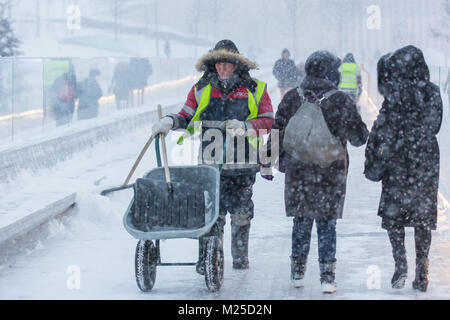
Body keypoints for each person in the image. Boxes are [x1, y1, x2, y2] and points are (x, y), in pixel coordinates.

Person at [150, 39, 274, 272]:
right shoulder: (201, 88)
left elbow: (268, 120)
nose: (223, 69)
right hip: (210, 165)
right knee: (211, 216)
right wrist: (170, 121)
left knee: (241, 214)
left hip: (242, 164)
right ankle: (209, 260)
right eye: (219, 64)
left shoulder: (255, 88)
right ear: (213, 65)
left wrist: (246, 126)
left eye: (227, 64)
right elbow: (186, 115)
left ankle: (239, 259)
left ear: (237, 65)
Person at [264, 50, 369, 293]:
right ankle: (327, 277)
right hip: (330, 172)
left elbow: (277, 130)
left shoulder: (292, 98)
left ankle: (297, 273)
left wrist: (266, 163)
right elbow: (359, 138)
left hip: (298, 172)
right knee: (327, 224)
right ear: (332, 72)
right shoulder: (341, 100)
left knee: (301, 222)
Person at [364, 45, 443, 292]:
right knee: (422, 218)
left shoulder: (394, 92)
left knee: (394, 215)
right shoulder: (432, 91)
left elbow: (384, 125)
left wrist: (376, 152)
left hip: (397, 162)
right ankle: (422, 269)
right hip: (425, 162)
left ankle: (400, 264)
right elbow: (435, 125)